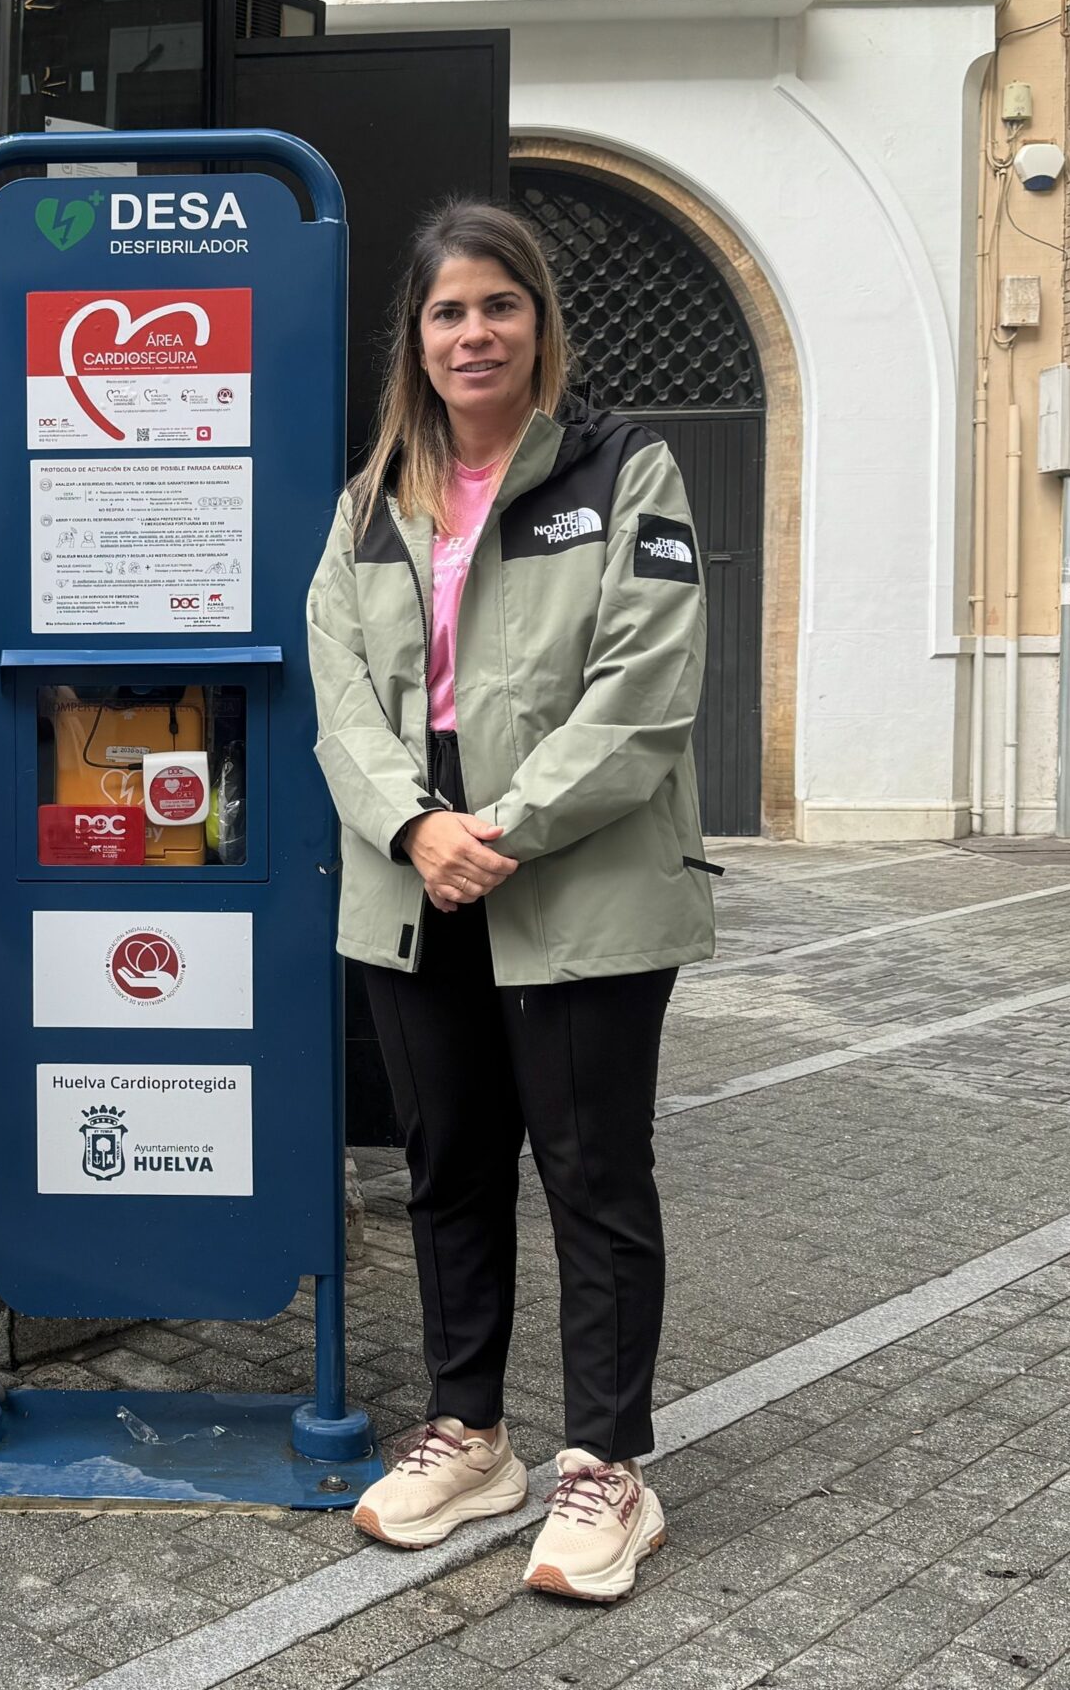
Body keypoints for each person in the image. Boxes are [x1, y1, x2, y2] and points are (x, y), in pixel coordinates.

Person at [305, 200, 715, 1603]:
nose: (473, 333)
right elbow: (338, 696)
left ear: (540, 323)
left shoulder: (624, 469)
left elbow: (645, 689)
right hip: (413, 879)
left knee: (592, 1177)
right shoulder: (369, 502)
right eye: (448, 312)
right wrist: (416, 825)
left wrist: (501, 829)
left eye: (499, 305)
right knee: (449, 1169)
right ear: (414, 342)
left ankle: (607, 1466)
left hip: (576, 880)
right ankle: (470, 1434)